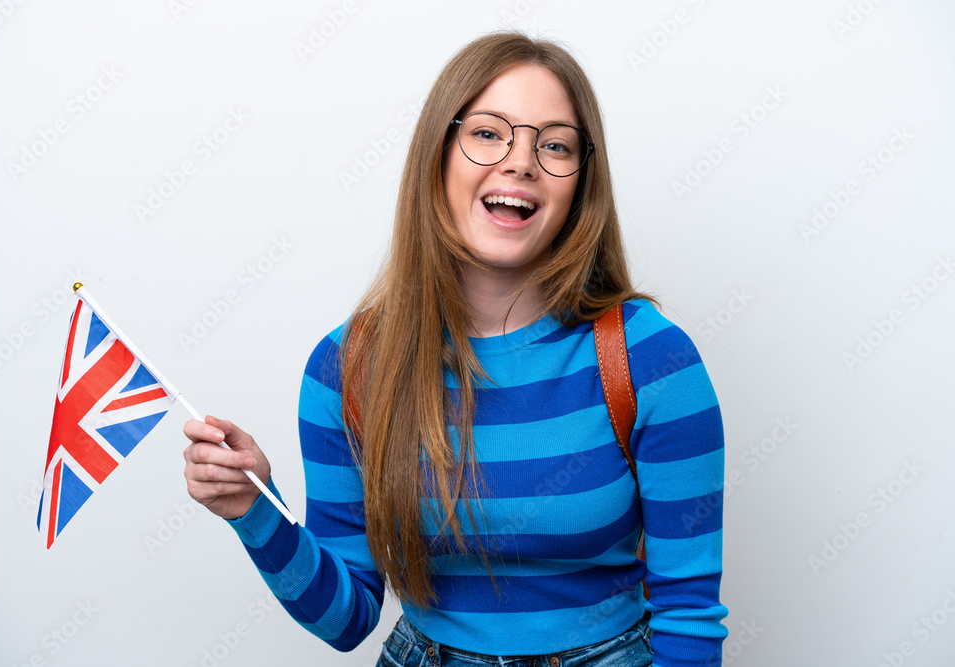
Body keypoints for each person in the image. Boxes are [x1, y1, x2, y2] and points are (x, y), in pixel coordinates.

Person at [183, 31, 729, 667]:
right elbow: (348, 618)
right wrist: (253, 508)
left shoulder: (653, 360)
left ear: (580, 185)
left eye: (554, 144)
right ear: (438, 157)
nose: (521, 161)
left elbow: (689, 616)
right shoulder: (348, 369)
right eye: (490, 133)